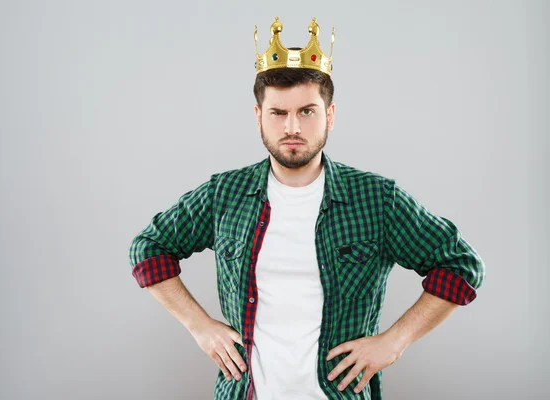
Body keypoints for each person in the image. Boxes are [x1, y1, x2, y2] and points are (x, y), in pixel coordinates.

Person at [127, 16, 485, 400]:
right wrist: (198, 325)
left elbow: (460, 264)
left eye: (307, 111)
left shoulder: (376, 199)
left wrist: (394, 342)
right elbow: (148, 248)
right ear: (258, 117)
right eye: (278, 113)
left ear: (330, 115)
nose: (292, 127)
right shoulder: (225, 194)